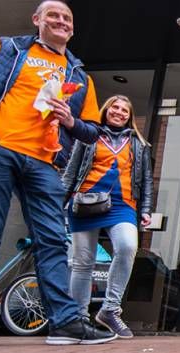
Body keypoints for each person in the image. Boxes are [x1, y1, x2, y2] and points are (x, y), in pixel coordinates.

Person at [0, 0, 115, 344]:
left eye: (67, 18)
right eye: (54, 15)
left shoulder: (78, 75)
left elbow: (91, 131)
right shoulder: (6, 49)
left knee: (52, 241)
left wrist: (70, 120)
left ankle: (64, 322)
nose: (61, 21)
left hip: (45, 162)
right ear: (37, 20)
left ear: (72, 28)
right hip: (0, 149)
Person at [62, 95, 153, 338]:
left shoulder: (139, 143)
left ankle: (110, 309)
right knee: (83, 261)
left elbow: (145, 180)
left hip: (122, 205)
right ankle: (79, 318)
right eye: (116, 107)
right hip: (85, 202)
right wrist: (61, 202)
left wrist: (145, 209)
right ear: (106, 110)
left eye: (125, 109)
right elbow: (72, 172)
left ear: (130, 117)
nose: (120, 112)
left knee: (127, 247)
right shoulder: (89, 135)